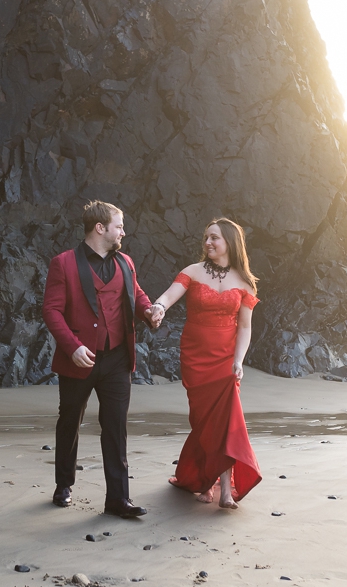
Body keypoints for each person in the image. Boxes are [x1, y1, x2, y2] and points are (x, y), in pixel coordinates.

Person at [41, 200, 158, 518]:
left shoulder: (126, 263)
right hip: (80, 359)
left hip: (118, 358)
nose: (124, 231)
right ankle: (63, 484)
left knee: (116, 426)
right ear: (100, 228)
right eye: (119, 225)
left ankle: (118, 499)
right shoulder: (63, 263)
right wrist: (72, 347)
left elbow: (136, 293)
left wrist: (149, 311)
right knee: (70, 422)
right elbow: (50, 310)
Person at [146, 218, 262, 508]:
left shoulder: (246, 282)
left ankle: (223, 489)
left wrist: (239, 361)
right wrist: (158, 307)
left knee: (226, 420)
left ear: (230, 243)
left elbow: (245, 327)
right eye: (206, 237)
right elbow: (170, 295)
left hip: (226, 358)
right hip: (196, 356)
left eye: (215, 238)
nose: (208, 242)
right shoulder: (192, 272)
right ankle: (204, 480)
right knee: (202, 420)